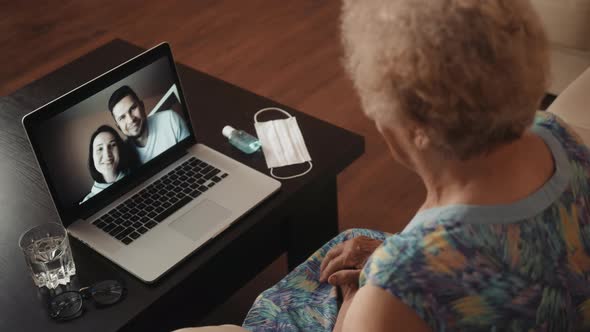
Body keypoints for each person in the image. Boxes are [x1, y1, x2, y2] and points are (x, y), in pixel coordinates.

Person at [177, 0, 590, 331]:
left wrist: (365, 295)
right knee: (355, 242)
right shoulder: (559, 135)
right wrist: (393, 257)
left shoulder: (397, 287)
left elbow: (423, 280)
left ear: (414, 125)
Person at [108, 85, 190, 164]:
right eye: (122, 117)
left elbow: (190, 153)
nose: (130, 120)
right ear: (118, 127)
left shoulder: (170, 119)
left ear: (142, 106)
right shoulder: (122, 154)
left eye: (133, 108)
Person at [81, 125, 138, 203]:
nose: (107, 154)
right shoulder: (87, 203)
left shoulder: (137, 177)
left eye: (112, 145)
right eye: (100, 149)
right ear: (92, 157)